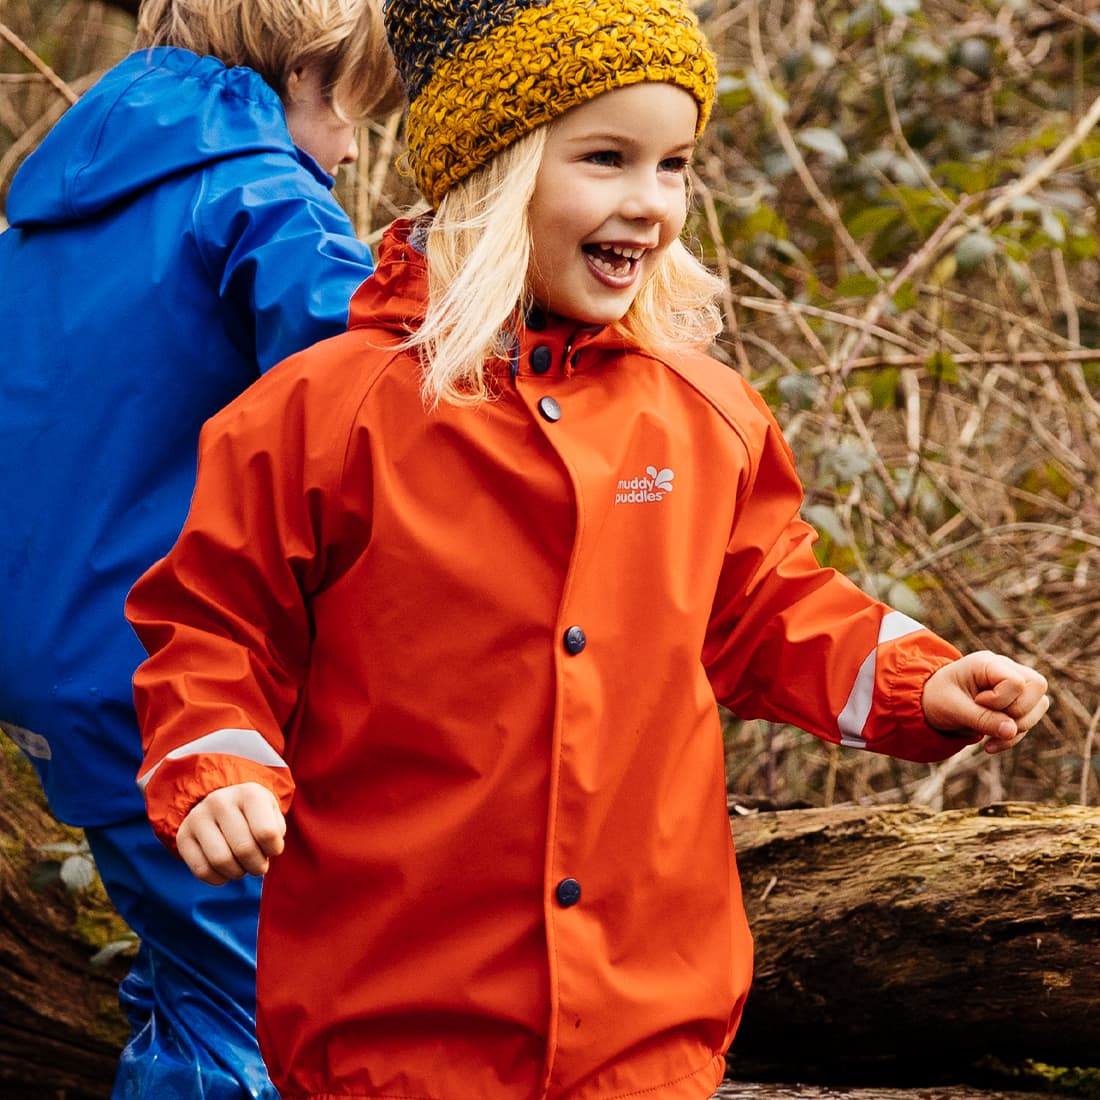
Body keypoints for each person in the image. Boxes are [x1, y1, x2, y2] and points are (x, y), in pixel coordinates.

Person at [125, 0, 1051, 1096]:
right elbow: (213, 625)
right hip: (393, 1018)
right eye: (605, 158)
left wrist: (921, 678)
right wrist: (217, 760)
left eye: (673, 165)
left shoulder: (702, 413)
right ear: (492, 174)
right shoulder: (326, 412)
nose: (648, 204)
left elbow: (766, 606)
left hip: (645, 1021)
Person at [0, 0, 403, 1096]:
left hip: (54, 661)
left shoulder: (55, 208)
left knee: (195, 962)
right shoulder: (259, 196)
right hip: (173, 677)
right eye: (349, 106)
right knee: (268, 1006)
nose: (356, 146)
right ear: (302, 73)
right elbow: (372, 399)